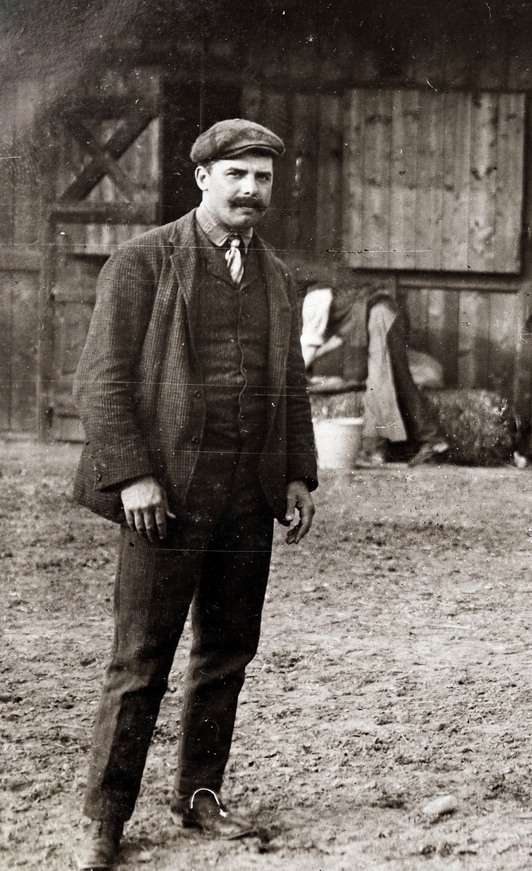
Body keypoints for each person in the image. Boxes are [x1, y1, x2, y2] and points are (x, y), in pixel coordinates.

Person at [71, 120, 318, 869]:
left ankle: (200, 795)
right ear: (203, 178)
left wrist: (299, 473)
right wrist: (135, 473)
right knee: (140, 659)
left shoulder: (275, 276)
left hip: (248, 495)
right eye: (236, 174)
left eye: (263, 177)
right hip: (166, 495)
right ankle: (106, 817)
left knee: (226, 653)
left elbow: (291, 385)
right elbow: (101, 379)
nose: (251, 190)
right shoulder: (144, 261)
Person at [299, 272, 448, 465]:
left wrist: (294, 374)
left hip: (381, 317)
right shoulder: (324, 299)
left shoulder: (313, 299)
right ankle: (433, 440)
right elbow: (329, 342)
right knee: (401, 379)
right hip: (386, 316)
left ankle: (373, 449)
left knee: (379, 381)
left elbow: (310, 343)